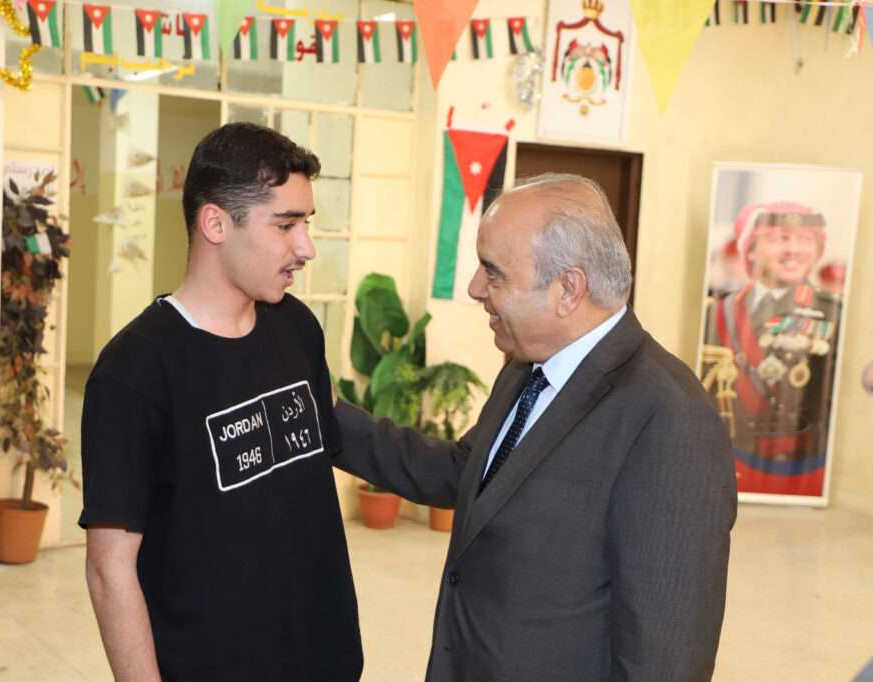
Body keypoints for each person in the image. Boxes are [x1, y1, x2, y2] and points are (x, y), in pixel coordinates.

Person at [334, 173, 737, 681]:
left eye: (493, 273)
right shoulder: (528, 366)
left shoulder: (669, 419)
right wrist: (326, 416)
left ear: (567, 289)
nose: (474, 289)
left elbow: (665, 659)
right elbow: (467, 473)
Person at [79, 123, 362, 681]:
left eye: (306, 224)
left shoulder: (297, 329)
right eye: (285, 225)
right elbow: (110, 571)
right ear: (215, 223)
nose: (306, 247)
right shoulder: (134, 371)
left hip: (325, 660)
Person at [702, 201, 842, 496]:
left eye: (806, 239)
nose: (794, 250)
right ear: (751, 249)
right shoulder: (716, 314)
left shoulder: (834, 314)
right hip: (724, 466)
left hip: (801, 471)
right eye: (780, 238)